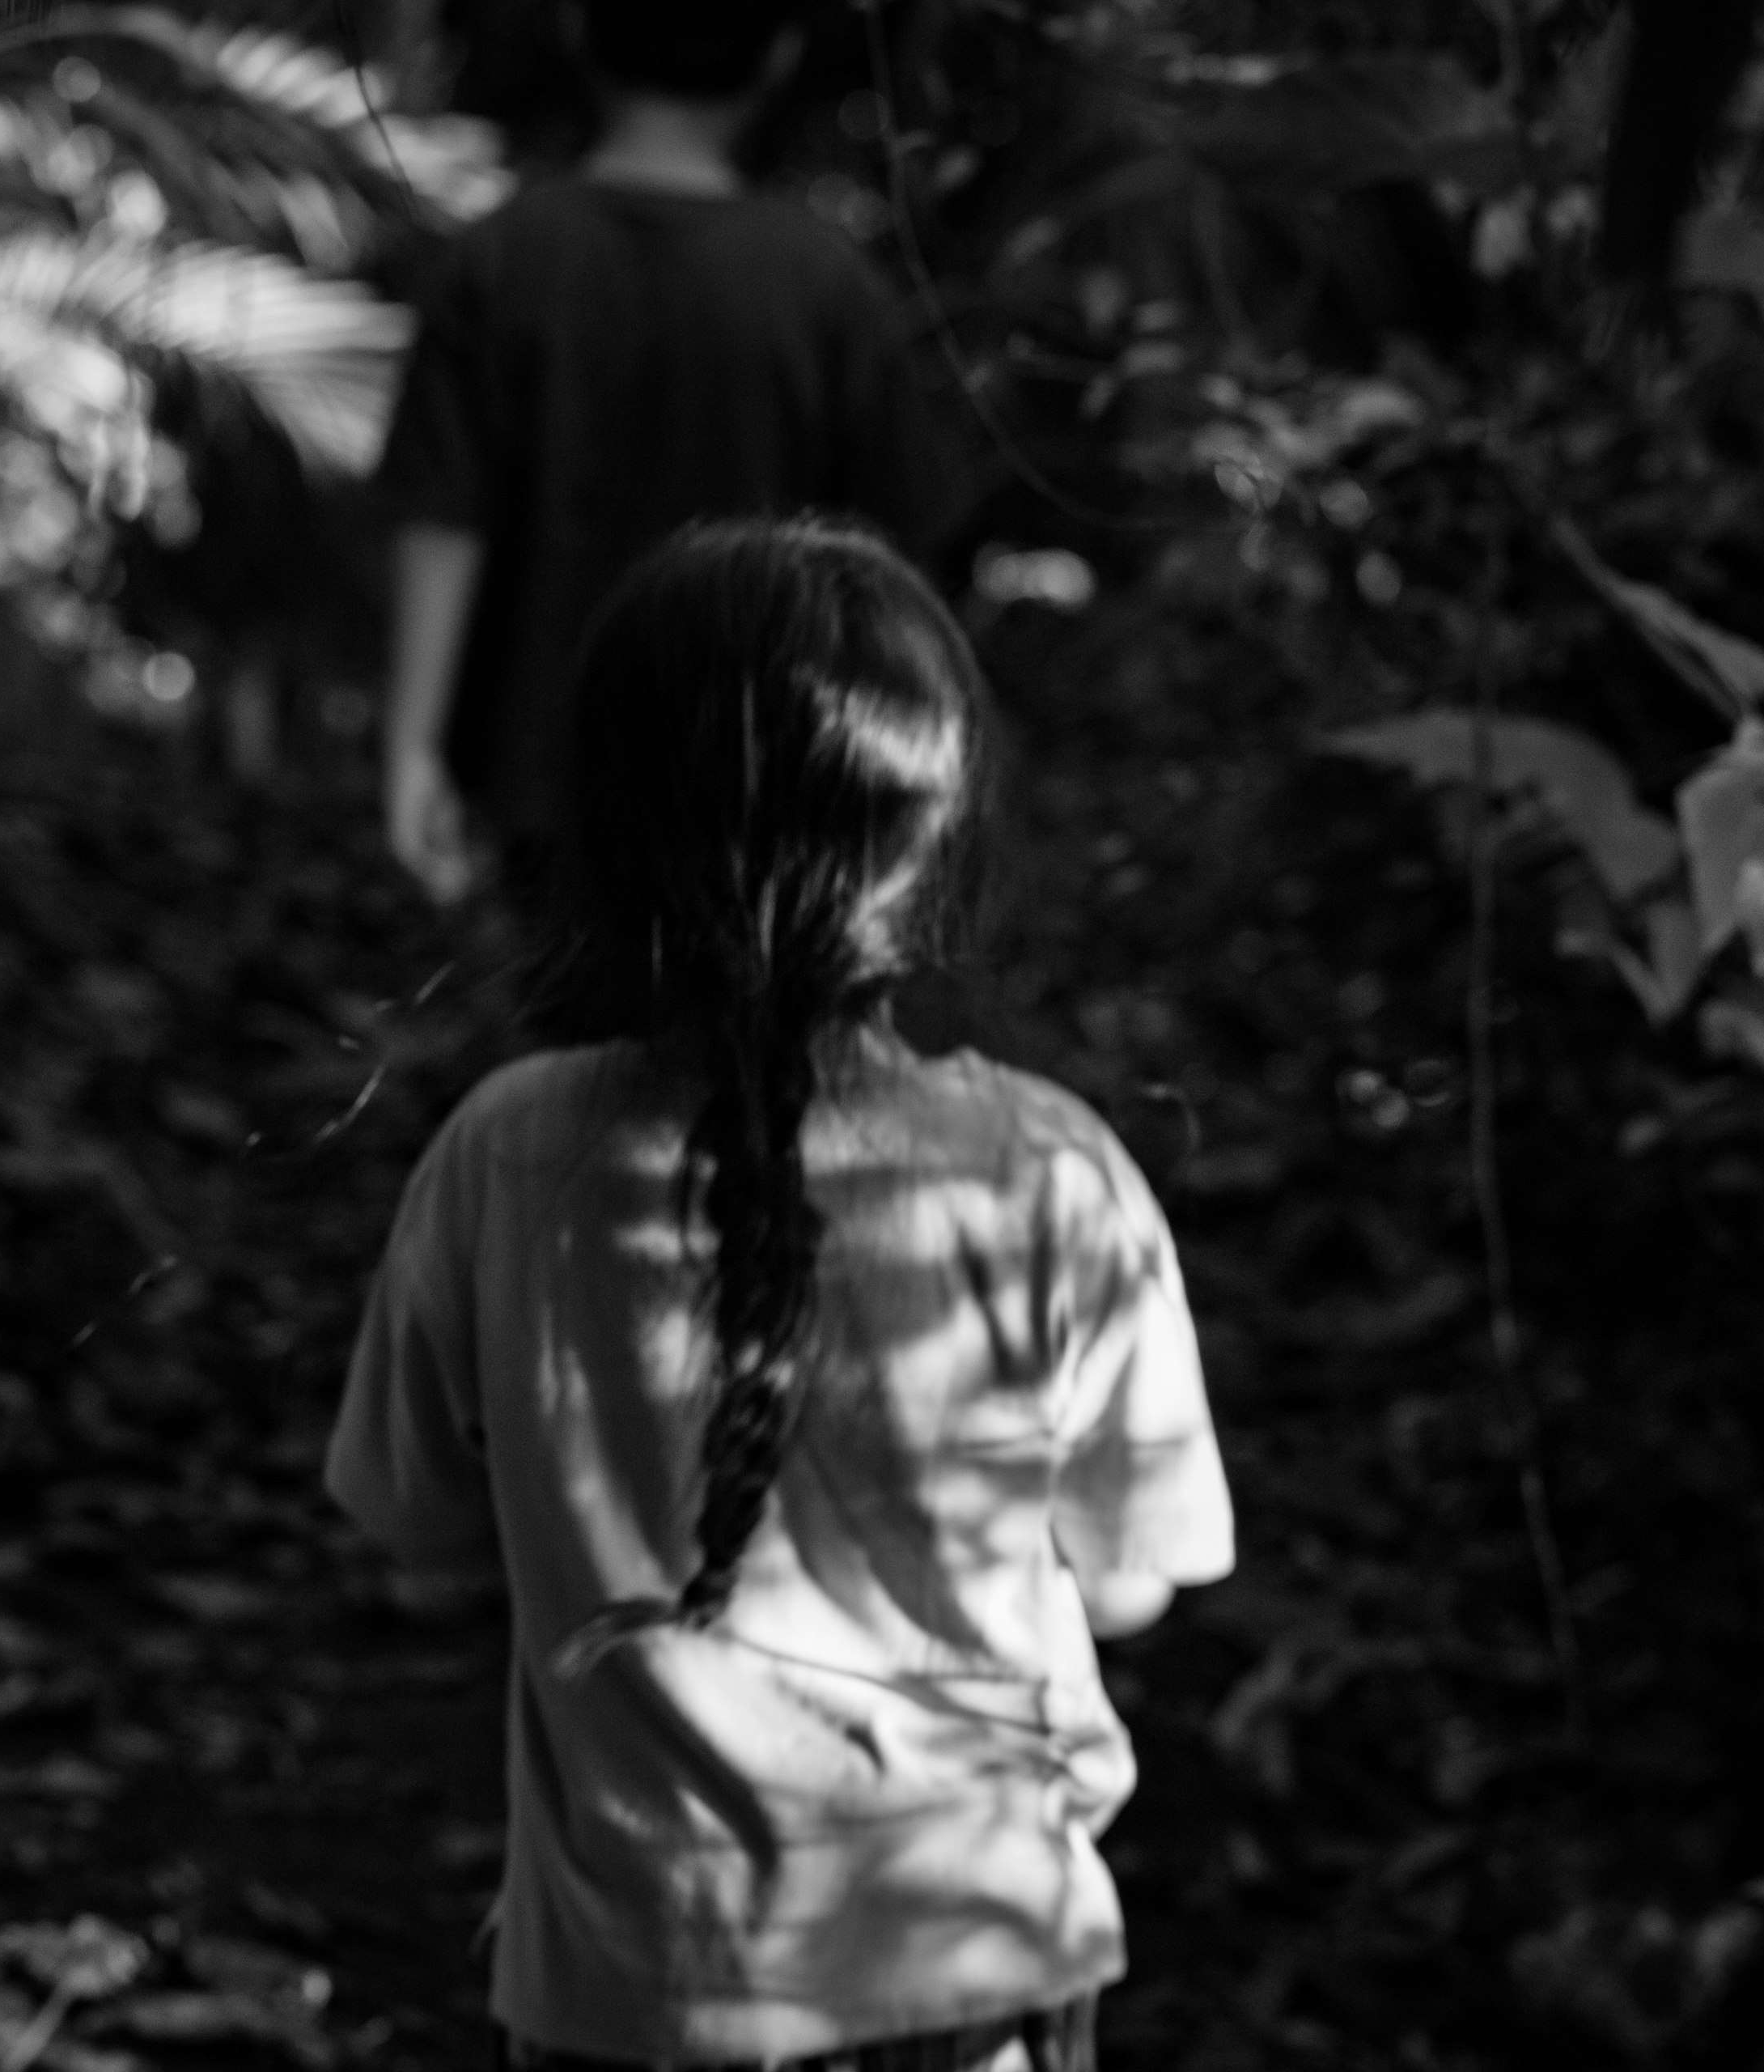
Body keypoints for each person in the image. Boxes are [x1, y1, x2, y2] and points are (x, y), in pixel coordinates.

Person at [327, 520, 1233, 2071]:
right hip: (973, 1962)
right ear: (932, 841)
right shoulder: (1047, 1170)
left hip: (632, 1989)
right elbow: (1141, 1573)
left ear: (608, 834)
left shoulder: (505, 1156)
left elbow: (414, 1532)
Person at [374, 0, 957, 906]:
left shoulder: (501, 259)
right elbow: (896, 571)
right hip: (774, 784)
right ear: (778, 52)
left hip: (548, 776)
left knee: (577, 1036)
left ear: (581, 34)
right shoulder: (829, 287)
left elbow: (442, 517)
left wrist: (414, 748)